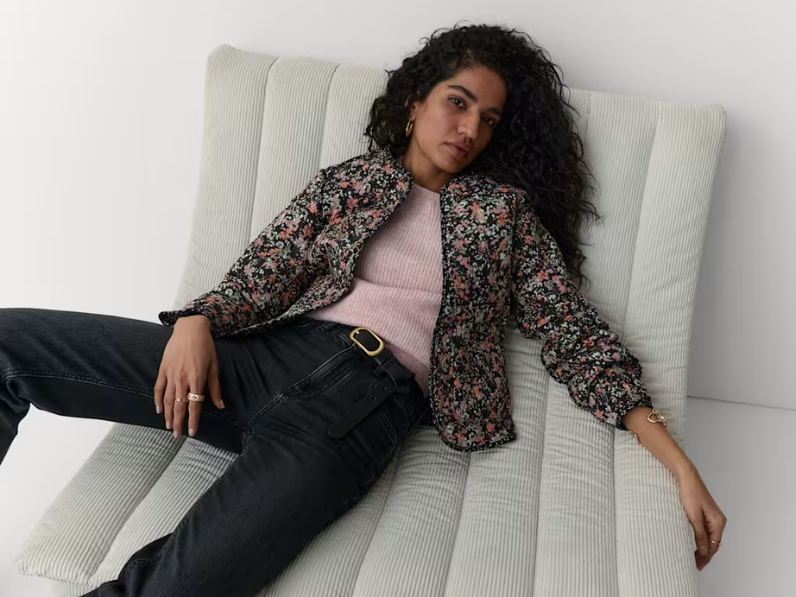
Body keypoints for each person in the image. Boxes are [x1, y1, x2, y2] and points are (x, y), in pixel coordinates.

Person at [0, 23, 725, 597]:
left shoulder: (501, 217)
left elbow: (576, 336)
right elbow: (262, 273)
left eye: (489, 119)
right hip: (253, 363)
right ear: (416, 102)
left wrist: (679, 464)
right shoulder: (349, 183)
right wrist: (195, 320)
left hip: (357, 408)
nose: (470, 127)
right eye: (457, 100)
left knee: (184, 583)